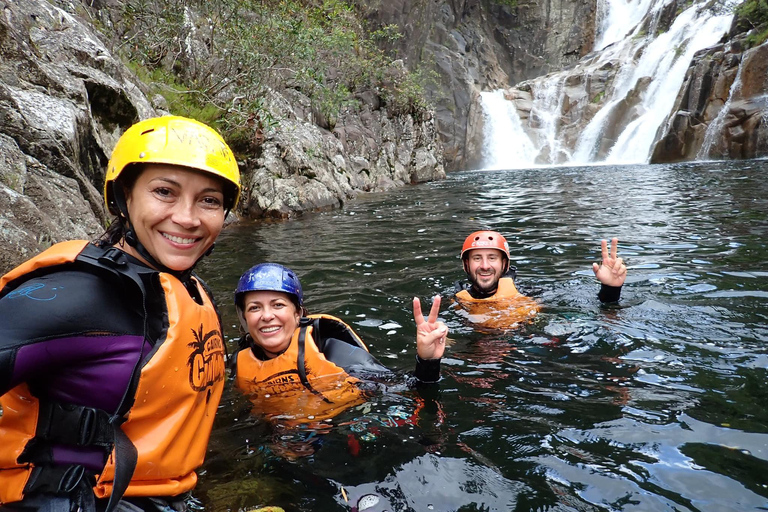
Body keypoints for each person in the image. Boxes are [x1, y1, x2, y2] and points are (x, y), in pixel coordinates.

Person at [0, 116, 241, 512]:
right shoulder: (77, 295)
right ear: (124, 198)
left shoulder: (192, 293)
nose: (187, 217)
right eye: (164, 192)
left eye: (209, 200)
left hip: (164, 497)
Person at [231, 263, 447, 426]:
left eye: (278, 305)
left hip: (344, 426)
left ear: (298, 314)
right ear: (245, 319)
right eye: (254, 308)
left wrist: (427, 361)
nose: (267, 316)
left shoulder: (331, 350)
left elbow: (405, 387)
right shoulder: (237, 363)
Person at [454, 230, 626, 329]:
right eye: (477, 258)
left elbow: (593, 311)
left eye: (492, 258)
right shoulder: (454, 301)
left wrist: (610, 289)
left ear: (504, 264)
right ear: (466, 265)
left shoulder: (530, 293)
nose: (485, 265)